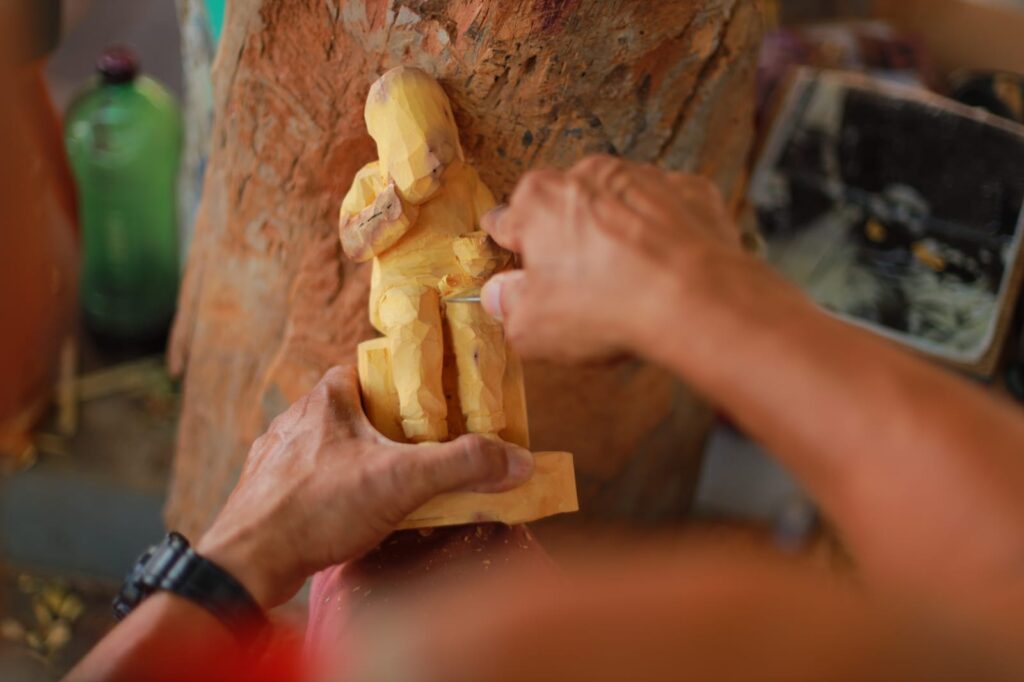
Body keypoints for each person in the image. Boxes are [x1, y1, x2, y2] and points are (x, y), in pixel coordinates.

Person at [66, 156, 1024, 681]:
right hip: (427, 296)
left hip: (433, 299)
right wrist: (703, 296)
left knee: (457, 351)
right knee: (435, 342)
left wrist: (225, 569)